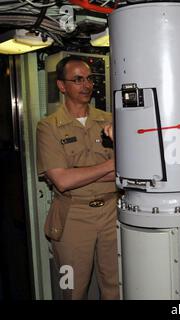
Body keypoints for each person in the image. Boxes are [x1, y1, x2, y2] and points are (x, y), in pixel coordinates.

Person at [36, 56, 119, 300]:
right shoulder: (48, 126)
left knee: (116, 287)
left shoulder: (110, 120)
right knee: (72, 290)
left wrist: (81, 173)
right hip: (73, 216)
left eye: (89, 79)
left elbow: (127, 172)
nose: (86, 85)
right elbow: (62, 180)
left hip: (111, 213)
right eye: (78, 80)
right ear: (62, 86)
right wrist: (109, 165)